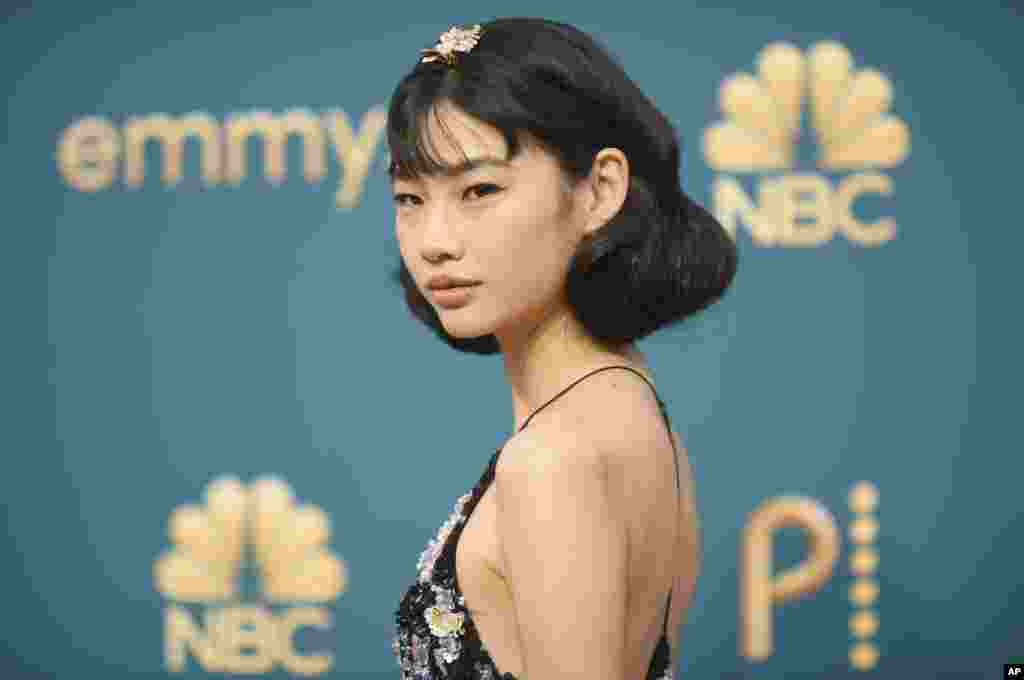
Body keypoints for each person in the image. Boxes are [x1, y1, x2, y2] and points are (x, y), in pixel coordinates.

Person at [389, 17, 737, 679]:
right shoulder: (630, 403)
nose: (434, 239)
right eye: (409, 197)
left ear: (600, 190)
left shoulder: (552, 459)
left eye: (480, 190)